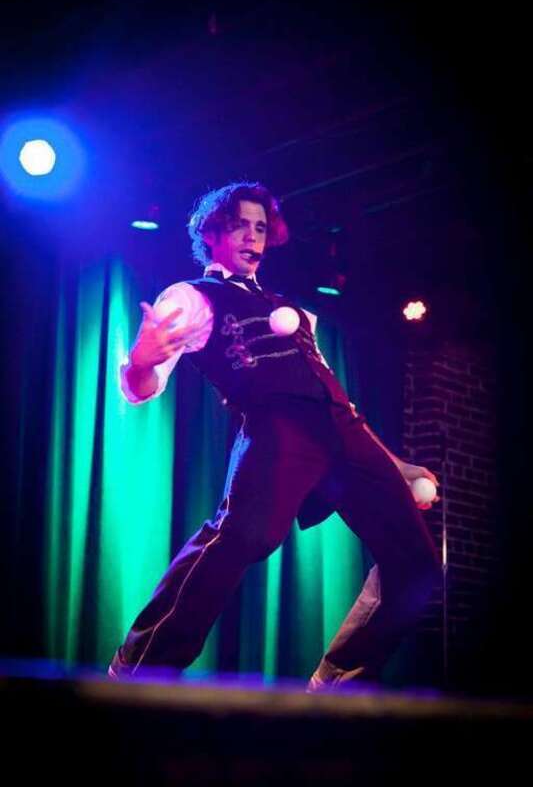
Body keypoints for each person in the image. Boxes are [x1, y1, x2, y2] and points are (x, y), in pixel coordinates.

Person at [108, 181, 441, 690]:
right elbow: (142, 386)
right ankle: (136, 669)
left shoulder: (296, 311)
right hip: (277, 427)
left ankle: (335, 685)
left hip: (341, 431)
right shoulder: (194, 298)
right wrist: (140, 361)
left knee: (418, 568)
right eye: (240, 225)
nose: (252, 237)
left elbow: (337, 396)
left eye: (260, 227)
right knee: (243, 536)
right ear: (212, 232)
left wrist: (393, 464)